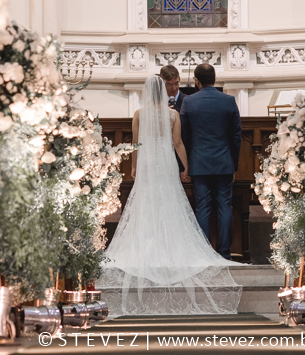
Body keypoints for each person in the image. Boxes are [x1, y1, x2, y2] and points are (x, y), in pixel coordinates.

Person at [97, 76, 241, 316]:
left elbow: (136, 143)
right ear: (164, 92)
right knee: (170, 202)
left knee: (145, 202)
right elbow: (178, 144)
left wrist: (133, 167)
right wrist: (185, 167)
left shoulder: (139, 114)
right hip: (165, 162)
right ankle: (173, 246)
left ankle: (147, 245)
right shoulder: (173, 115)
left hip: (146, 163)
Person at [179, 63, 241, 260]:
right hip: (223, 162)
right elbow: (236, 136)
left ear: (196, 81)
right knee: (225, 206)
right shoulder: (229, 101)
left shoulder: (189, 102)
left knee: (202, 207)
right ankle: (225, 253)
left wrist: (186, 163)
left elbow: (184, 136)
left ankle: (204, 254)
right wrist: (235, 164)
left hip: (199, 162)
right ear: (214, 78)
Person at [160, 64, 191, 179]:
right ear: (162, 84)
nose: (173, 88)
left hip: (183, 158)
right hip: (162, 160)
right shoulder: (156, 104)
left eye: (176, 83)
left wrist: (185, 166)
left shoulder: (188, 101)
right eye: (169, 84)